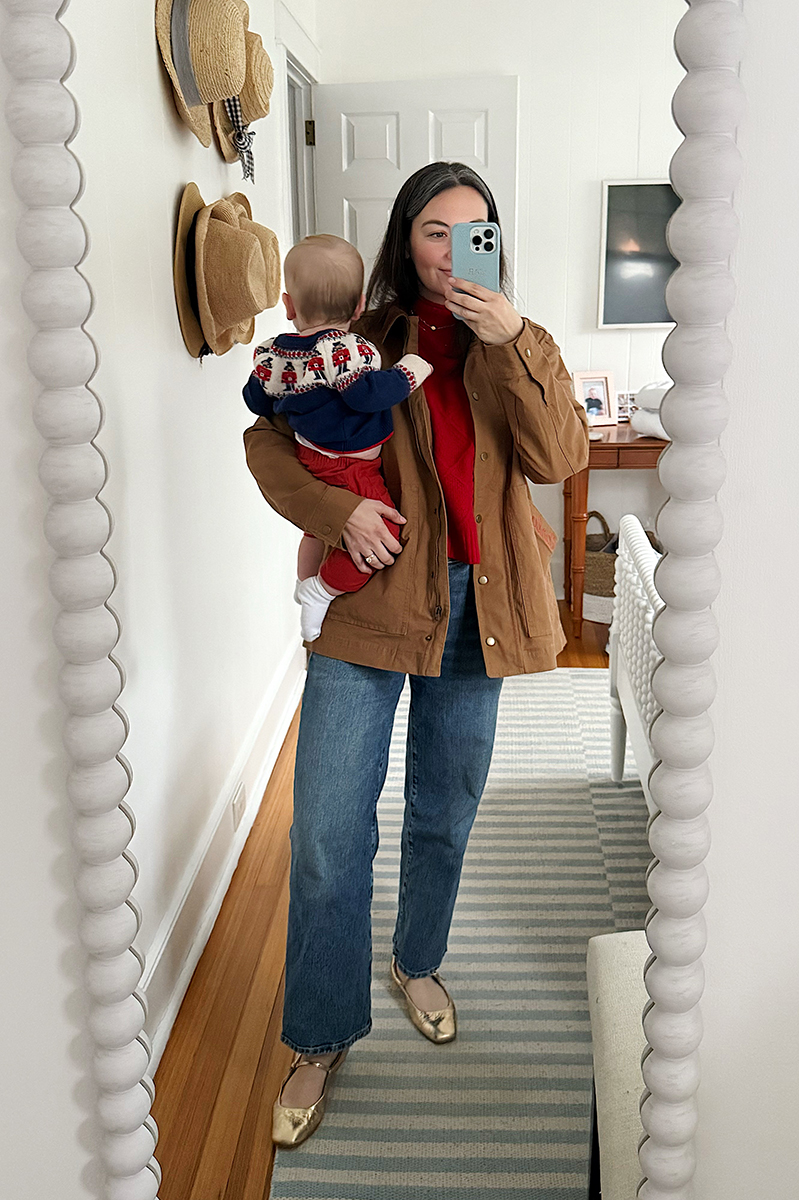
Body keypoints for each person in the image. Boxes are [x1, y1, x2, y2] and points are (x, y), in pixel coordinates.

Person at [243, 161, 590, 1148]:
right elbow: (268, 443)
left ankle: (416, 960)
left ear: (494, 244)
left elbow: (559, 460)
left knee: (445, 809)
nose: (450, 252)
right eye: (435, 232)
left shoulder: (524, 343)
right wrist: (336, 507)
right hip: (370, 609)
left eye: (472, 233)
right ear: (406, 240)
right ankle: (317, 1037)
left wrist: (512, 342)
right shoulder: (359, 341)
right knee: (324, 832)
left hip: (482, 613)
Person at [242, 234, 432, 640]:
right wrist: (410, 371)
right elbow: (367, 395)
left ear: (288, 304)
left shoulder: (276, 354)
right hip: (352, 465)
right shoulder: (346, 351)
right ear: (360, 304)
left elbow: (256, 401)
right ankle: (320, 590)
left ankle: (304, 581)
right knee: (383, 537)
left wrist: (286, 391)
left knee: (316, 529)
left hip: (311, 457)